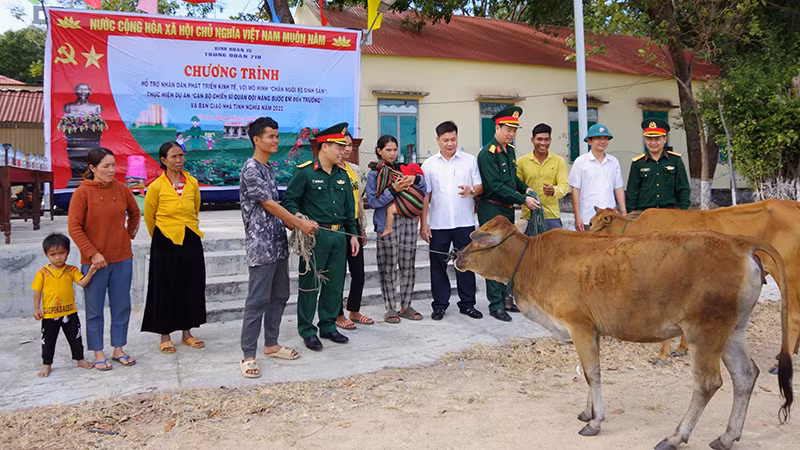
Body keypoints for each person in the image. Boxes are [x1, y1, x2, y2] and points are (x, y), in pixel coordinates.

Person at [238, 117, 317, 377]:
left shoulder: (267, 169)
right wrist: (297, 222)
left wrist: (292, 225)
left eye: (277, 135)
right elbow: (269, 204)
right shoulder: (251, 169)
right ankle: (248, 354)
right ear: (256, 140)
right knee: (257, 300)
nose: (275, 141)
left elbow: (273, 210)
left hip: (277, 243)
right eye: (270, 136)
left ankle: (271, 344)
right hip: (261, 246)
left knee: (280, 295)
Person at [282, 122, 360, 351]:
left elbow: (349, 210)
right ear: (325, 147)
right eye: (338, 146)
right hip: (315, 238)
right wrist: (299, 219)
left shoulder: (343, 175)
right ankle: (307, 330)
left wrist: (353, 235)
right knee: (310, 284)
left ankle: (327, 325)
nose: (343, 150)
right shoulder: (305, 172)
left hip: (339, 237)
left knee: (334, 285)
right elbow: (290, 201)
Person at [68, 147, 140, 371]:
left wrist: (127, 236)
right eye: (106, 166)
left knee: (122, 305)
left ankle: (118, 348)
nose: (112, 170)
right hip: (94, 263)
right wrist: (92, 253)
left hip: (122, 258)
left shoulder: (122, 189)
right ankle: (98, 351)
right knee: (95, 308)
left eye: (113, 165)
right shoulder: (82, 192)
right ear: (92, 168)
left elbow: (135, 213)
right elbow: (74, 228)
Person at [476, 106, 541, 321]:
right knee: (493, 255)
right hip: (492, 210)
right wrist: (523, 199)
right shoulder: (487, 153)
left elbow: (512, 181)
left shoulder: (509, 150)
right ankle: (495, 304)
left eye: (514, 129)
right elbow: (494, 185)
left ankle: (506, 298)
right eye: (508, 129)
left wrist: (525, 188)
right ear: (497, 127)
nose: (511, 133)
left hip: (506, 210)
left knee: (508, 255)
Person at [141, 141, 207, 354]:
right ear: (163, 161)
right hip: (165, 241)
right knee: (165, 287)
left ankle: (187, 333)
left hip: (190, 238)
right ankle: (165, 335)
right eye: (174, 157)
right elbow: (149, 217)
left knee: (190, 285)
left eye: (181, 156)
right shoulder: (156, 186)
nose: (179, 160)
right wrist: (161, 236)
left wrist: (186, 228)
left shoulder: (192, 183)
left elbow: (195, 209)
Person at [420, 121, 484, 321]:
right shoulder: (429, 165)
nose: (450, 144)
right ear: (438, 140)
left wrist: (471, 190)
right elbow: (426, 196)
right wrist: (424, 223)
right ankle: (439, 305)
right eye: (446, 140)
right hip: (439, 224)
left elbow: (480, 186)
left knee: (466, 263)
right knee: (438, 265)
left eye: (453, 139)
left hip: (464, 222)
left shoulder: (469, 160)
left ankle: (467, 304)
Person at [366, 135, 427, 323]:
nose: (392, 154)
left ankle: (406, 305)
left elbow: (424, 188)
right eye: (388, 150)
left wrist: (415, 179)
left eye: (394, 150)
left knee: (408, 264)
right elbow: (373, 201)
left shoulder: (403, 169)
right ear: (379, 151)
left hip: (408, 220)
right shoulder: (374, 174)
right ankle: (390, 307)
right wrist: (393, 189)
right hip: (386, 223)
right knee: (388, 265)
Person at [32, 233, 97, 377]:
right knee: (48, 341)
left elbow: (82, 283)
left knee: (76, 338)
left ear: (68, 252)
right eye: (53, 254)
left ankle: (80, 359)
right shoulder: (42, 273)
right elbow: (37, 291)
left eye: (61, 253)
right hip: (50, 315)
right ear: (47, 255)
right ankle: (47, 365)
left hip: (70, 312)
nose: (57, 257)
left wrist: (90, 273)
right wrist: (37, 308)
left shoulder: (71, 270)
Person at [335, 132, 374, 330]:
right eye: (343, 145)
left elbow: (359, 202)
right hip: (337, 229)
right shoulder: (330, 170)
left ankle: (354, 310)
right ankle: (337, 314)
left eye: (350, 145)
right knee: (338, 274)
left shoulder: (355, 170)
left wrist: (362, 228)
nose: (347, 149)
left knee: (358, 272)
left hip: (355, 226)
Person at [569, 124, 627, 232]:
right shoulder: (580, 162)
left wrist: (623, 212)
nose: (602, 141)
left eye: (605, 138)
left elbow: (618, 187)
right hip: (588, 218)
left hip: (610, 219)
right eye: (598, 138)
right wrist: (577, 216)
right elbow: (575, 190)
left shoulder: (613, 162)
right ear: (589, 141)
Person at [626, 118, 690, 212]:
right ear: (644, 139)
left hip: (670, 213)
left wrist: (684, 211)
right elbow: (632, 192)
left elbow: (683, 188)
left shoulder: (675, 160)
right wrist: (631, 214)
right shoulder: (638, 163)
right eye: (649, 139)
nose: (653, 143)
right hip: (645, 214)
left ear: (664, 139)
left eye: (657, 139)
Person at [516, 123, 570, 230]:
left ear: (550, 140)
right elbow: (516, 186)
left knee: (555, 246)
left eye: (546, 139)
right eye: (539, 139)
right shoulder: (521, 162)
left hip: (551, 216)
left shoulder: (559, 161)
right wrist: (526, 198)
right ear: (532, 140)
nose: (543, 143)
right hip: (529, 216)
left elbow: (564, 186)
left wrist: (553, 190)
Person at [374, 162, 425, 238]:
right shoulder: (413, 181)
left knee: (390, 210)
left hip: (409, 207)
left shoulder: (402, 179)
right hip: (418, 207)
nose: (392, 153)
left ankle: (388, 228)